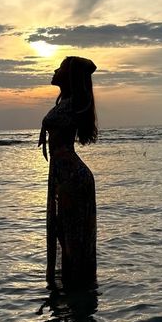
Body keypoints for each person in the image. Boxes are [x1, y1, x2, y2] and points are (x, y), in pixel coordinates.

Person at [39, 56, 98, 289]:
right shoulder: (67, 102)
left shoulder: (75, 102)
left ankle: (77, 291)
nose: (55, 70)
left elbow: (89, 66)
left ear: (70, 76)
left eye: (61, 68)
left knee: (71, 236)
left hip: (72, 178)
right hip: (64, 176)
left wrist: (76, 67)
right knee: (64, 233)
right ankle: (72, 291)